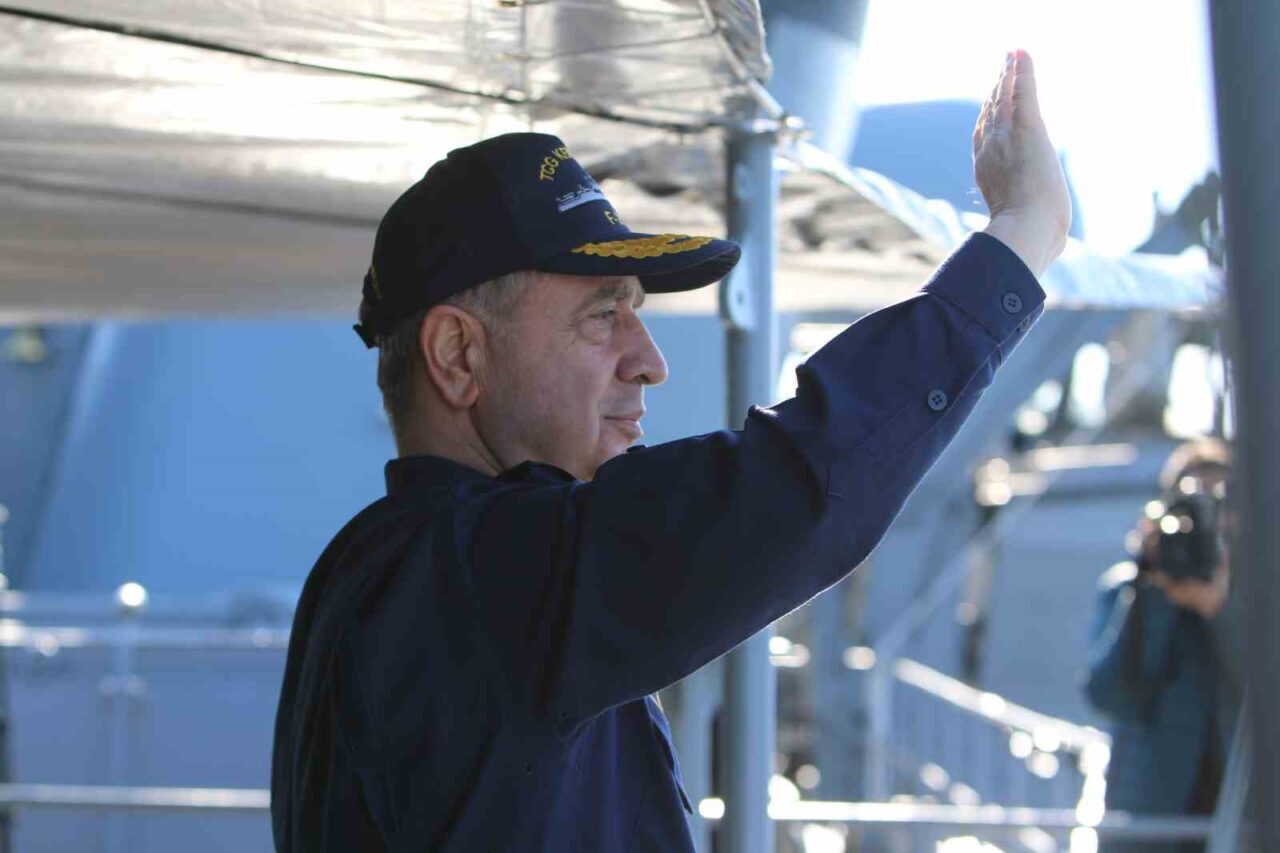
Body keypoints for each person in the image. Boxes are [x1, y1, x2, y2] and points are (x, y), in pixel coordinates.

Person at [272, 50, 1070, 851]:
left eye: (637, 313)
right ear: (457, 355)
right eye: (601, 316)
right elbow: (795, 485)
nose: (650, 360)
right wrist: (1021, 237)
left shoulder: (377, 569)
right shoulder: (481, 573)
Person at [1084, 438, 1240, 852]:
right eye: (1192, 506)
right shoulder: (1130, 588)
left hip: (1231, 820)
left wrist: (1219, 610)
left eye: (1218, 506)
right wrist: (1153, 589)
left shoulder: (1255, 596)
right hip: (1148, 822)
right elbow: (1109, 694)